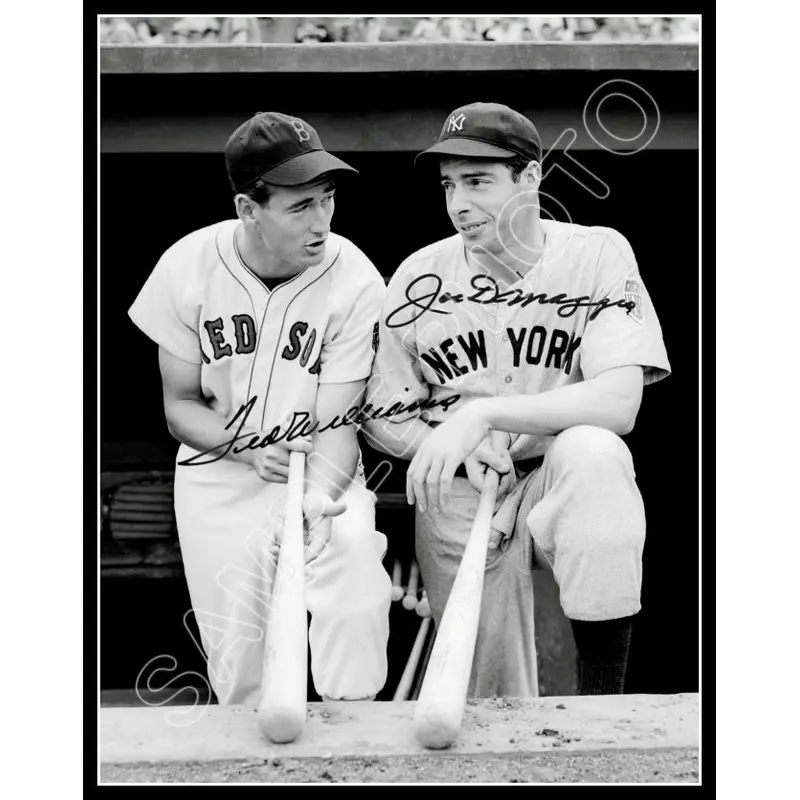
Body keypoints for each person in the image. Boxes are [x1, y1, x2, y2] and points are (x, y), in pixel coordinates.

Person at [364, 102, 671, 698]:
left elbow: (619, 402)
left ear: (530, 177)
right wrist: (443, 442)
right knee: (489, 698)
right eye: (449, 184)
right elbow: (382, 413)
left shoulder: (597, 253)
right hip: (463, 486)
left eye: (478, 182)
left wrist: (482, 413)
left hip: (552, 472)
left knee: (595, 454)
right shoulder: (418, 275)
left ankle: (602, 714)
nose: (458, 203)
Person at [128, 112, 392, 706]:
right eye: (300, 207)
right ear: (250, 208)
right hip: (217, 475)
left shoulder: (353, 276)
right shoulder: (188, 264)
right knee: (241, 668)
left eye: (326, 200)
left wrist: (318, 503)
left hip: (319, 463)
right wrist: (246, 446)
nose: (322, 221)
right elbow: (180, 406)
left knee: (351, 565)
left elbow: (339, 421)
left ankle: (354, 735)